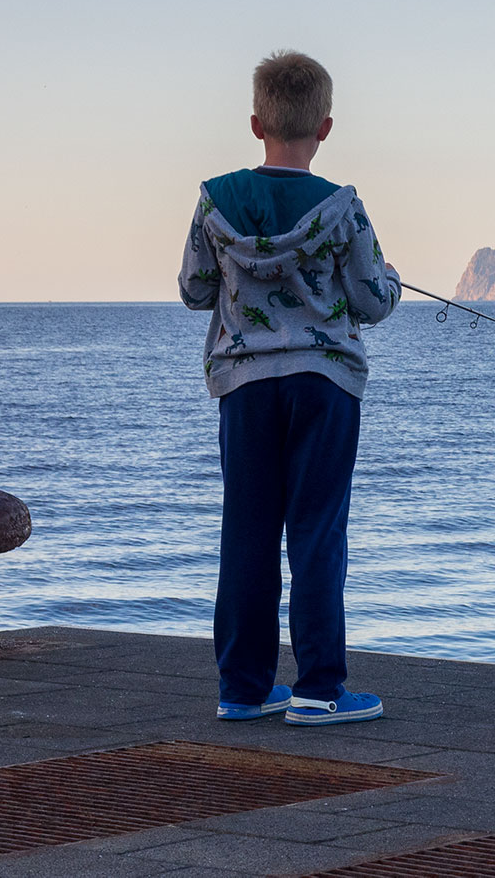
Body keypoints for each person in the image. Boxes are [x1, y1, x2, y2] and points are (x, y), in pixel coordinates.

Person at [178, 50, 400, 726]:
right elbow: (371, 299)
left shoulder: (216, 200)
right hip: (324, 383)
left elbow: (193, 290)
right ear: (325, 128)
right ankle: (320, 689)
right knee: (316, 532)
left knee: (246, 531)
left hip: (244, 386)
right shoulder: (342, 206)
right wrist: (391, 279)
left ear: (256, 122)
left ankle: (243, 689)